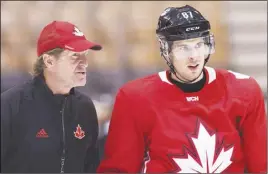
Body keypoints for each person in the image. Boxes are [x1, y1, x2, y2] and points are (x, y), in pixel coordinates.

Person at [97, 5, 267, 173]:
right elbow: (118, 169)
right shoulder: (134, 98)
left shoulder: (244, 91)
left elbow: (261, 167)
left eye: (199, 45)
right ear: (166, 50)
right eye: (183, 48)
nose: (193, 56)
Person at [1, 20, 102, 173]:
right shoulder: (10, 106)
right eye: (75, 56)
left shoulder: (85, 108)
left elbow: (91, 167)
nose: (85, 63)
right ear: (49, 61)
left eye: (85, 55)